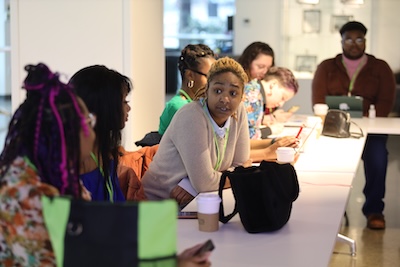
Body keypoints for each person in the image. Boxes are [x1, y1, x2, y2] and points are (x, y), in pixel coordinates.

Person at [0, 63, 95, 266]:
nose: (93, 133)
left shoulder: (49, 177)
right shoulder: (25, 194)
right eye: (89, 122)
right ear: (70, 131)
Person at [312, 21, 396, 230]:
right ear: (341, 41)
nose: (354, 44)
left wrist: (370, 116)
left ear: (365, 41)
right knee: (328, 163)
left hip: (371, 128)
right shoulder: (326, 66)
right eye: (348, 39)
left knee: (378, 157)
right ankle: (332, 208)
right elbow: (318, 100)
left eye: (359, 39)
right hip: (334, 127)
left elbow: (386, 100)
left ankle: (374, 210)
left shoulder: (380, 67)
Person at [142, 57, 251, 208]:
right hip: (159, 206)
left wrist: (192, 185)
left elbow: (241, 164)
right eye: (218, 90)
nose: (225, 99)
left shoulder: (239, 111)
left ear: (241, 96)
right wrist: (202, 183)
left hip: (194, 201)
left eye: (233, 93)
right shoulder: (192, 115)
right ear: (207, 90)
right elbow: (205, 182)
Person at [69, 65, 130, 202]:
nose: (128, 108)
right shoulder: (80, 162)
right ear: (105, 106)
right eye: (124, 101)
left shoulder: (104, 155)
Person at [159, 44, 216, 135]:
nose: (214, 82)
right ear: (190, 75)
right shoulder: (179, 107)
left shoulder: (199, 104)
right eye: (209, 76)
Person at [246, 67, 300, 162]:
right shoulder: (253, 97)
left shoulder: (254, 89)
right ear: (273, 85)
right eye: (283, 97)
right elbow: (246, 139)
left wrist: (275, 141)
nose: (281, 104)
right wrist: (269, 132)